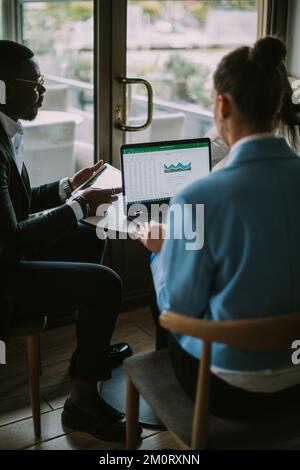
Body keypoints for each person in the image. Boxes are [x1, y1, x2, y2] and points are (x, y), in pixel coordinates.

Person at [140, 36, 300, 419]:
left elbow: (178, 308)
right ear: (278, 103)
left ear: (222, 105)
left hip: (229, 388)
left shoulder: (198, 198)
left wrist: (164, 253)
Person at [0, 40, 136, 442]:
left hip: (9, 255)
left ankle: (88, 356)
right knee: (106, 284)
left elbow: (14, 205)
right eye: (36, 83)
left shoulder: (6, 130)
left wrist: (66, 188)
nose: (42, 90)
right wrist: (78, 205)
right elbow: (11, 239)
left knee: (87, 236)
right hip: (4, 276)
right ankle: (82, 404)